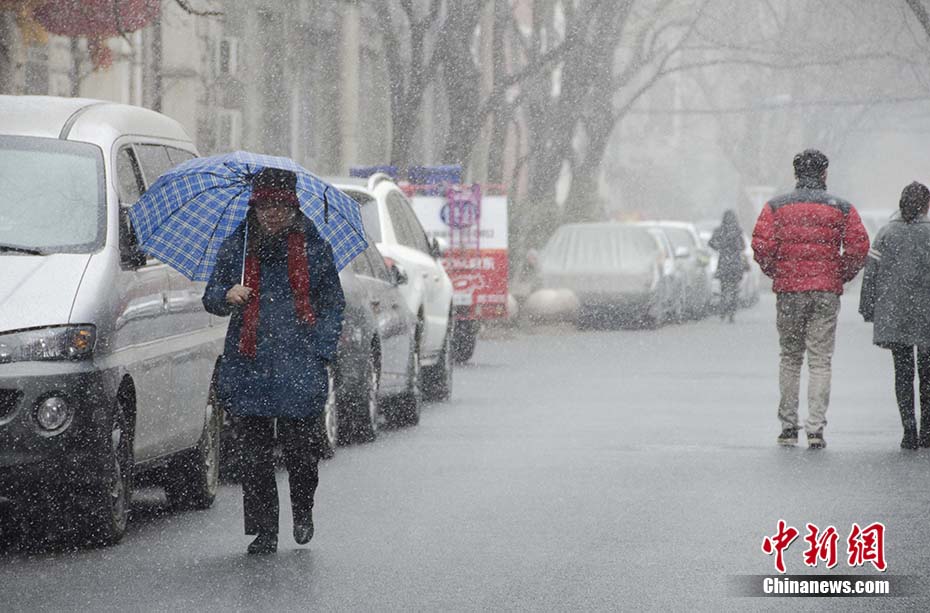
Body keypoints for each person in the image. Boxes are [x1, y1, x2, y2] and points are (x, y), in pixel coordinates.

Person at [203, 168, 345, 554]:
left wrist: (321, 349)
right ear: (255, 207)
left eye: (280, 206)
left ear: (293, 207)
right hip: (250, 363)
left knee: (302, 453)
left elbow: (333, 303)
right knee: (254, 458)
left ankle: (303, 510)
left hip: (299, 363)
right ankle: (264, 531)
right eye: (265, 206)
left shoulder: (313, 247)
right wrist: (227, 294)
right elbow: (211, 296)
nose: (272, 214)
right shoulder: (238, 245)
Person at [751, 149, 869, 449]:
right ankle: (815, 428)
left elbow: (761, 246)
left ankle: (788, 427)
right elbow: (858, 247)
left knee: (790, 357)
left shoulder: (776, 207)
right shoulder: (841, 208)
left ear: (796, 174)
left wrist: (778, 271)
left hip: (789, 290)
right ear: (824, 174)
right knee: (820, 360)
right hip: (825, 290)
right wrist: (839, 274)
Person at [859, 182, 930, 450]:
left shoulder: (886, 233)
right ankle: (927, 430)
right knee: (927, 373)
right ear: (926, 206)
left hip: (895, 313)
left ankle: (908, 431)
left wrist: (868, 308)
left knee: (903, 372)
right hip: (926, 313)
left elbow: (871, 273)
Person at [708, 209, 746, 323]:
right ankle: (731, 312)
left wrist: (720, 247)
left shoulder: (720, 231)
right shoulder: (737, 231)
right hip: (735, 263)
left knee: (724, 289)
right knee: (734, 289)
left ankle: (724, 310)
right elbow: (742, 246)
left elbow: (711, 243)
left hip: (724, 262)